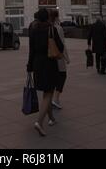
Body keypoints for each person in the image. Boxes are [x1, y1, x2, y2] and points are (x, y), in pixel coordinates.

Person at [27, 8, 64, 137]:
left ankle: (52, 118)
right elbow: (60, 47)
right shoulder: (51, 29)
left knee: (45, 93)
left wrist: (29, 67)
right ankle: (39, 122)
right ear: (47, 17)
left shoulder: (33, 30)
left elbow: (31, 50)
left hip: (37, 63)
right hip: (49, 63)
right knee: (49, 93)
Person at [49, 9, 70, 110]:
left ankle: (50, 99)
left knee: (53, 77)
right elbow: (62, 44)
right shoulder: (58, 28)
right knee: (62, 76)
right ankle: (56, 98)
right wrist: (67, 57)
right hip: (58, 56)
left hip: (48, 57)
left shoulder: (47, 27)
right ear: (56, 17)